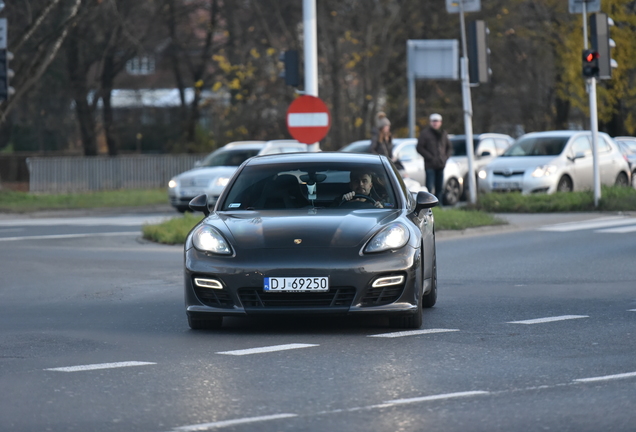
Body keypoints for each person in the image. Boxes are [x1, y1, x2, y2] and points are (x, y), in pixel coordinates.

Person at [416, 113, 453, 203]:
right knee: (429, 186)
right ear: (430, 122)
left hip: (440, 164)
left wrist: (445, 158)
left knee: (439, 187)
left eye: (437, 121)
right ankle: (429, 204)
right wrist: (430, 157)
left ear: (441, 122)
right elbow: (419, 147)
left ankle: (438, 204)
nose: (435, 123)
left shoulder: (443, 133)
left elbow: (449, 148)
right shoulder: (425, 133)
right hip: (430, 165)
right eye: (433, 121)